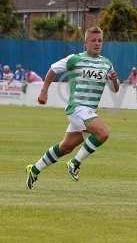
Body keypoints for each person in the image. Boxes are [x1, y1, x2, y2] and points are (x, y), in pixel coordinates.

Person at [25, 26, 120, 190]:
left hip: (88, 112)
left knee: (66, 147)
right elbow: (53, 69)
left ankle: (34, 169)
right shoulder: (75, 59)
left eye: (100, 40)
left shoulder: (106, 64)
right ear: (86, 42)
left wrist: (114, 80)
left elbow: (115, 89)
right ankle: (74, 163)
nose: (97, 43)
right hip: (77, 108)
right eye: (93, 40)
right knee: (103, 132)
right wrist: (44, 91)